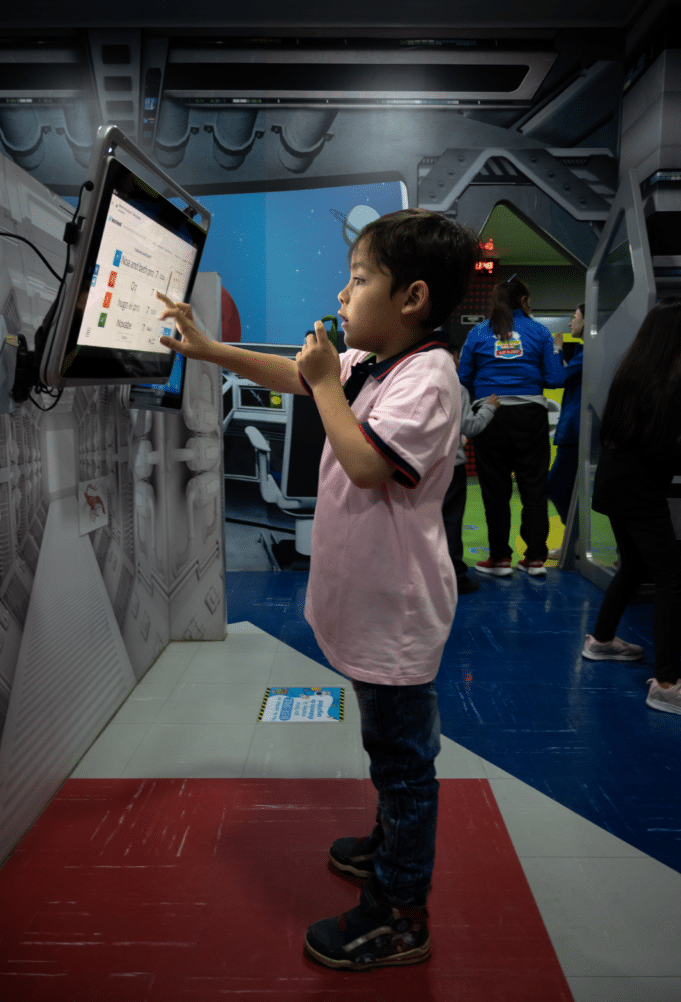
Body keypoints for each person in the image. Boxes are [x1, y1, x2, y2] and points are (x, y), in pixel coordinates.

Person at [157, 208, 481, 969]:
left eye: (359, 278)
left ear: (412, 298)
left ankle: (401, 913)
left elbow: (368, 462)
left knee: (405, 766)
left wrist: (329, 379)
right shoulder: (377, 363)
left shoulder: (428, 378)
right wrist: (209, 350)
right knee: (386, 749)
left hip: (397, 615)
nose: (341, 293)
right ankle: (386, 846)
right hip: (369, 604)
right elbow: (303, 380)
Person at [581, 298, 681, 716]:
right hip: (639, 490)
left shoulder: (633, 371)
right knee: (673, 579)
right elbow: (661, 448)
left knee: (635, 567)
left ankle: (601, 641)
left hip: (614, 485)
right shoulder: (670, 382)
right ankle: (668, 683)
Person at [457, 276, 567, 577]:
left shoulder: (478, 333)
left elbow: (462, 379)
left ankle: (500, 560)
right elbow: (556, 379)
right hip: (530, 417)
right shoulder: (540, 332)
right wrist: (557, 351)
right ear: (523, 301)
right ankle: (534, 560)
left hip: (489, 415)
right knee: (533, 487)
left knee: (495, 489)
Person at [442, 327, 499, 593]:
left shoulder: (411, 383)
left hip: (419, 468)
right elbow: (471, 426)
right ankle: (455, 577)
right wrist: (489, 407)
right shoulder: (456, 387)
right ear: (453, 356)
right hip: (450, 467)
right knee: (451, 522)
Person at [547, 303, 584, 556]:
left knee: (556, 484)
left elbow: (557, 376)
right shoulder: (585, 352)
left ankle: (576, 541)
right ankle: (575, 541)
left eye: (575, 317)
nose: (571, 323)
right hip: (576, 430)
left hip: (576, 431)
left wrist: (556, 349)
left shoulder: (588, 352)